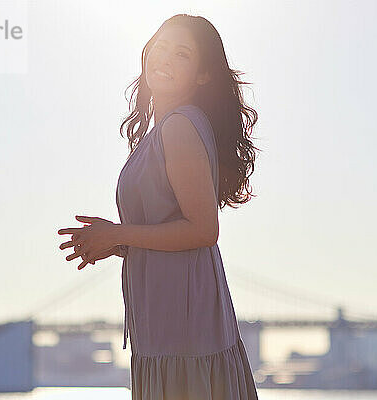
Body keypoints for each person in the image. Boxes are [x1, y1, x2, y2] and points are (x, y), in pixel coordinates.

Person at [58, 13, 260, 399]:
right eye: (160, 46)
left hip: (183, 332)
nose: (165, 59)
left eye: (182, 54)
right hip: (167, 326)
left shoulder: (180, 126)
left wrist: (119, 233)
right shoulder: (165, 128)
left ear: (202, 75)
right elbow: (170, 225)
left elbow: (203, 230)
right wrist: (113, 242)